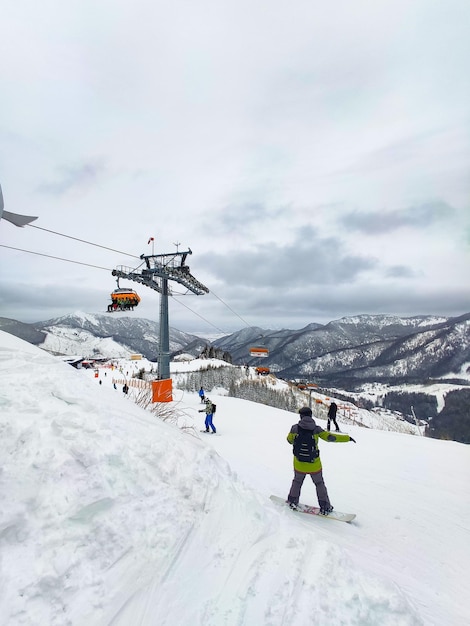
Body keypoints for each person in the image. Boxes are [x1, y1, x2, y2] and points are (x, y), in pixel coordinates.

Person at [287, 406, 356, 514]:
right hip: (314, 464)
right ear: (310, 415)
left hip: (299, 463)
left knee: (297, 481)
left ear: (301, 416)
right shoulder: (316, 429)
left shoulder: (294, 428)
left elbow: (289, 440)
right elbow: (331, 438)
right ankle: (325, 506)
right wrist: (347, 438)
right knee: (319, 483)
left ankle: (292, 501)